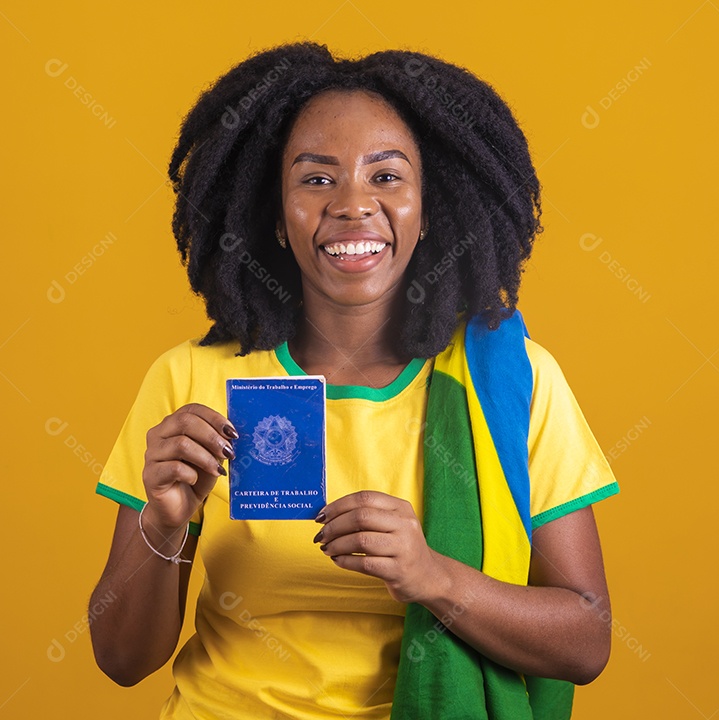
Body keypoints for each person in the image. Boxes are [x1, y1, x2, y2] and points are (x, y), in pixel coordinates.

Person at [88, 42, 620, 719]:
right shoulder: (190, 378)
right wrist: (162, 527)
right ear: (276, 219)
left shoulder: (515, 385)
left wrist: (433, 577)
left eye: (387, 177)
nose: (353, 205)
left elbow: (586, 640)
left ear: (430, 211)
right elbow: (121, 659)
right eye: (316, 180)